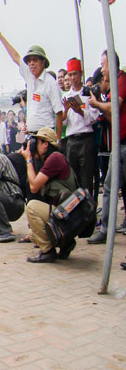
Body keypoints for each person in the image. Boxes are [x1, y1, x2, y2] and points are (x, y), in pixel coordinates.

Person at [21, 128, 79, 262]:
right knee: (33, 234)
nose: (34, 145)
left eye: (37, 142)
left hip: (68, 216)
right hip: (65, 214)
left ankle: (48, 251)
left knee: (31, 207)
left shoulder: (55, 158)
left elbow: (34, 187)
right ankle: (66, 243)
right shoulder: (51, 159)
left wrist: (29, 159)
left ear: (45, 144)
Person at [0, 25, 63, 134]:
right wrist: (0, 35)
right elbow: (15, 56)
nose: (31, 63)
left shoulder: (50, 83)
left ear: (43, 62)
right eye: (29, 61)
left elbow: (59, 113)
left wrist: (57, 141)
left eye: (34, 60)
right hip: (31, 133)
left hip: (46, 134)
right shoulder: (29, 76)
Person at [87, 50, 126, 244]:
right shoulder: (115, 84)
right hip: (119, 144)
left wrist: (97, 104)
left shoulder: (121, 80)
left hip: (123, 144)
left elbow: (114, 108)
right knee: (109, 187)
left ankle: (106, 229)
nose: (102, 70)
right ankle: (106, 229)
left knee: (110, 187)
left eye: (103, 65)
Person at [62, 58, 98, 199]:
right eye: (70, 75)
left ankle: (87, 213)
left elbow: (94, 118)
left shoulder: (89, 94)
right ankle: (75, 213)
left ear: (81, 74)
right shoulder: (66, 96)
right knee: (73, 179)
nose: (72, 78)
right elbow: (63, 123)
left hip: (86, 139)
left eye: (75, 74)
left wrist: (81, 112)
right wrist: (65, 112)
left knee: (86, 178)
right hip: (71, 141)